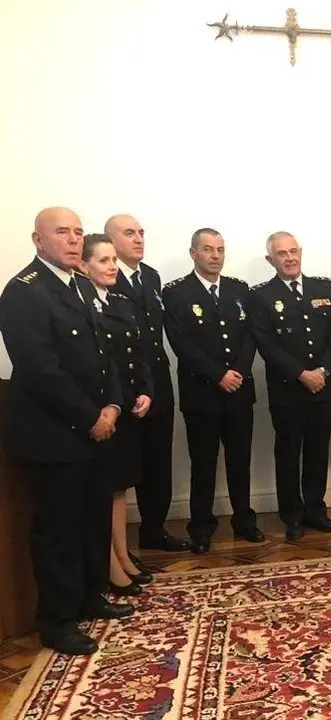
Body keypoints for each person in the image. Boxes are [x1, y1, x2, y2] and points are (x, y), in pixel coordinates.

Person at [0, 208, 133, 656]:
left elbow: (104, 355)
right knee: (57, 528)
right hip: (55, 434)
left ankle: (88, 597)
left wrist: (112, 406)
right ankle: (57, 621)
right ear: (38, 240)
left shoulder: (78, 284)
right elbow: (41, 370)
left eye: (78, 232)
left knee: (92, 519)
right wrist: (91, 417)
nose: (74, 240)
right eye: (63, 232)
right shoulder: (24, 293)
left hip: (97, 427)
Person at [163, 228, 263, 553]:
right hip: (202, 395)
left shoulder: (239, 290)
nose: (215, 255)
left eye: (220, 249)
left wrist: (239, 372)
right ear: (193, 253)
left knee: (240, 461)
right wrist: (219, 374)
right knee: (203, 464)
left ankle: (244, 521)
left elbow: (251, 336)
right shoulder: (176, 293)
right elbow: (182, 344)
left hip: (239, 392)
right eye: (208, 249)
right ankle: (202, 527)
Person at [250, 232, 331, 539]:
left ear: (300, 253)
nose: (289, 258)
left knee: (317, 451)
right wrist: (302, 374)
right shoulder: (261, 295)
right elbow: (266, 345)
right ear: (270, 260)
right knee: (288, 453)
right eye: (281, 254)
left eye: (293, 251)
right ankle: (292, 515)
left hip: (324, 387)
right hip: (288, 390)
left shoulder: (323, 287)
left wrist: (323, 370)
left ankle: (316, 510)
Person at [106, 214, 189, 553]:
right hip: (124, 385)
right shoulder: (102, 277)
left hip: (157, 379)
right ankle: (118, 546)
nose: (139, 238)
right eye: (129, 233)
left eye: (141, 233)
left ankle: (154, 529)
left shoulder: (151, 277)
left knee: (159, 460)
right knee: (128, 463)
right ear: (111, 241)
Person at [81, 234, 155, 597]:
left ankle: (123, 556)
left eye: (113, 260)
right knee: (104, 484)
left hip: (128, 405)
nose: (112, 267)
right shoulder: (83, 305)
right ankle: (109, 564)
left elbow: (139, 353)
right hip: (103, 409)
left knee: (120, 485)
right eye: (103, 260)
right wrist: (114, 403)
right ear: (84, 265)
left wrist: (145, 391)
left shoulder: (121, 302)